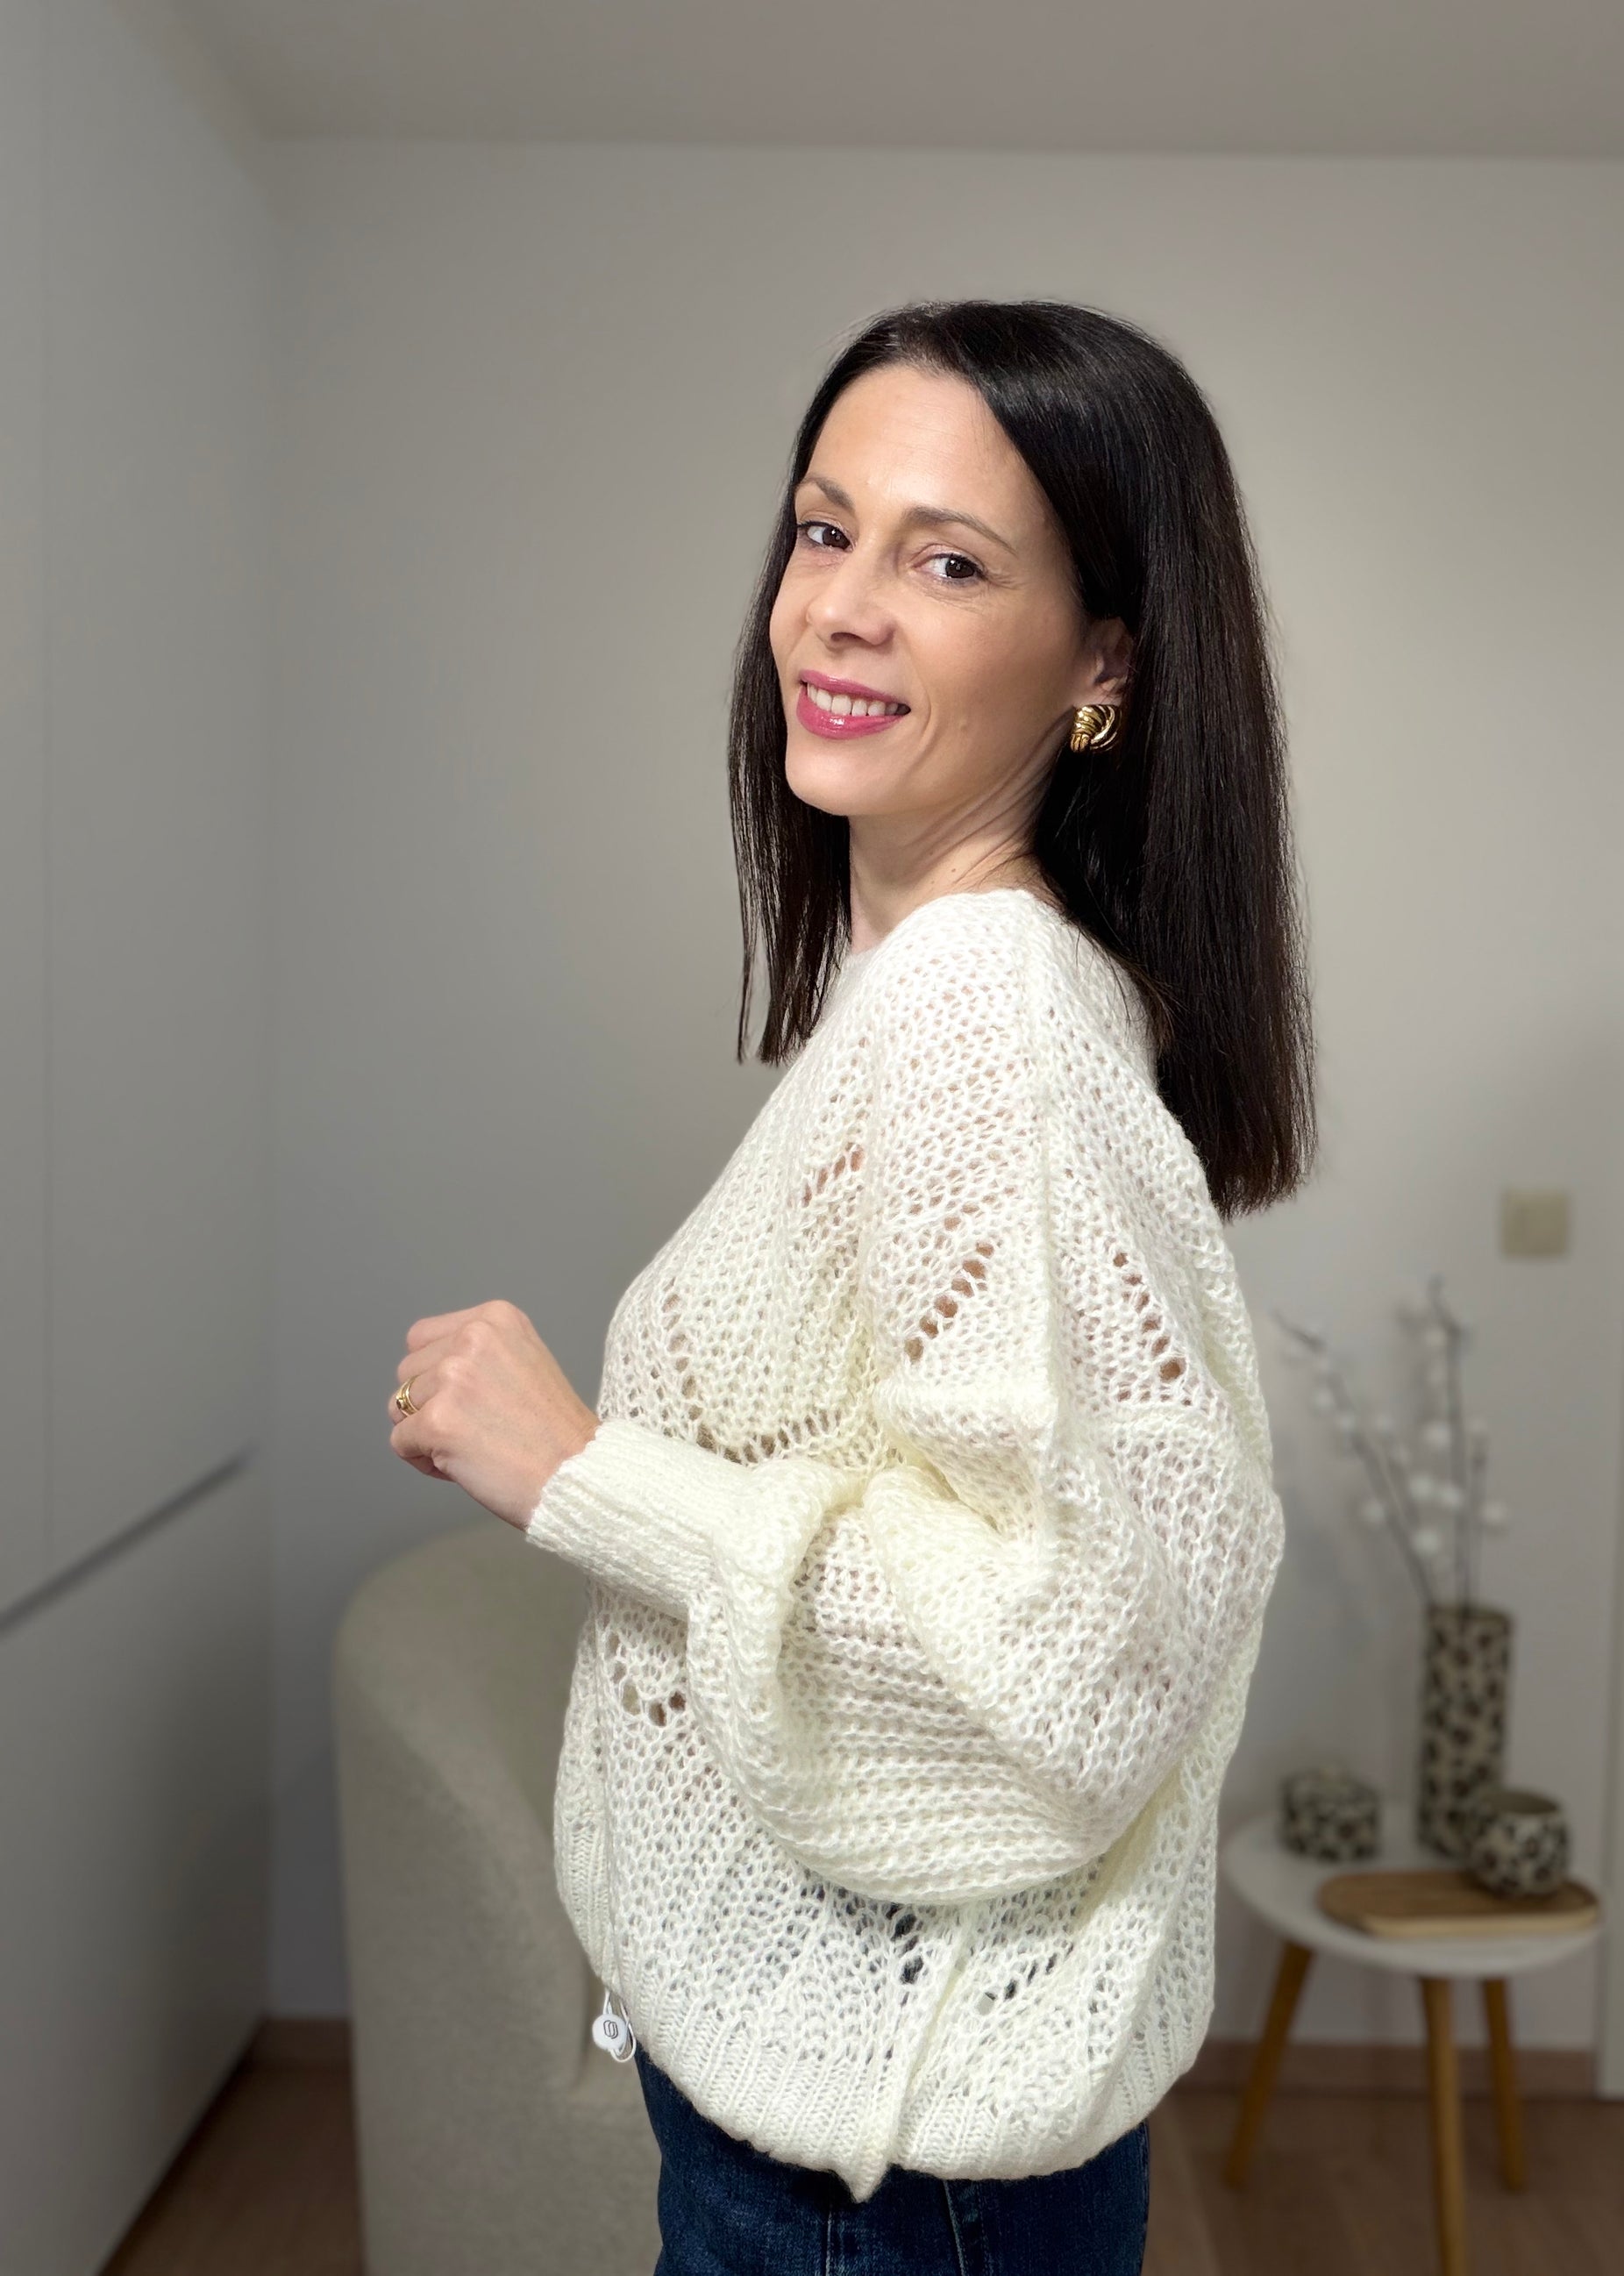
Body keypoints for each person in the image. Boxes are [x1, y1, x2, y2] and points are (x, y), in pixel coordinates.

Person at [386, 296, 1316, 2275]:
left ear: (1105, 660)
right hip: (838, 2138)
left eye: (948, 561)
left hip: (886, 2189)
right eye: (825, 530)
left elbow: (1073, 1660)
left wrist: (587, 1474)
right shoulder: (925, 993)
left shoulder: (984, 1014)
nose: (842, 608)